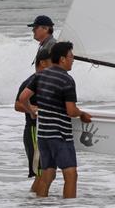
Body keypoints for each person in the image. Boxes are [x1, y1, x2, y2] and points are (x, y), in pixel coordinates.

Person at [18, 41, 91, 198]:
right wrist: (82, 114)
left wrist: (31, 112)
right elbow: (71, 111)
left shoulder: (40, 75)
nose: (73, 60)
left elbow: (23, 98)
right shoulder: (67, 80)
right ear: (63, 59)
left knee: (47, 174)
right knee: (71, 175)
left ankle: (43, 207)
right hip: (60, 135)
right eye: (71, 56)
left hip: (43, 135)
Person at [14, 50, 52, 192]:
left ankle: (35, 203)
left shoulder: (48, 81)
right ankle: (35, 204)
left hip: (47, 131)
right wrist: (33, 109)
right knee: (41, 173)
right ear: (42, 63)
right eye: (52, 62)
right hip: (33, 130)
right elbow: (17, 105)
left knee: (47, 173)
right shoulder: (31, 81)